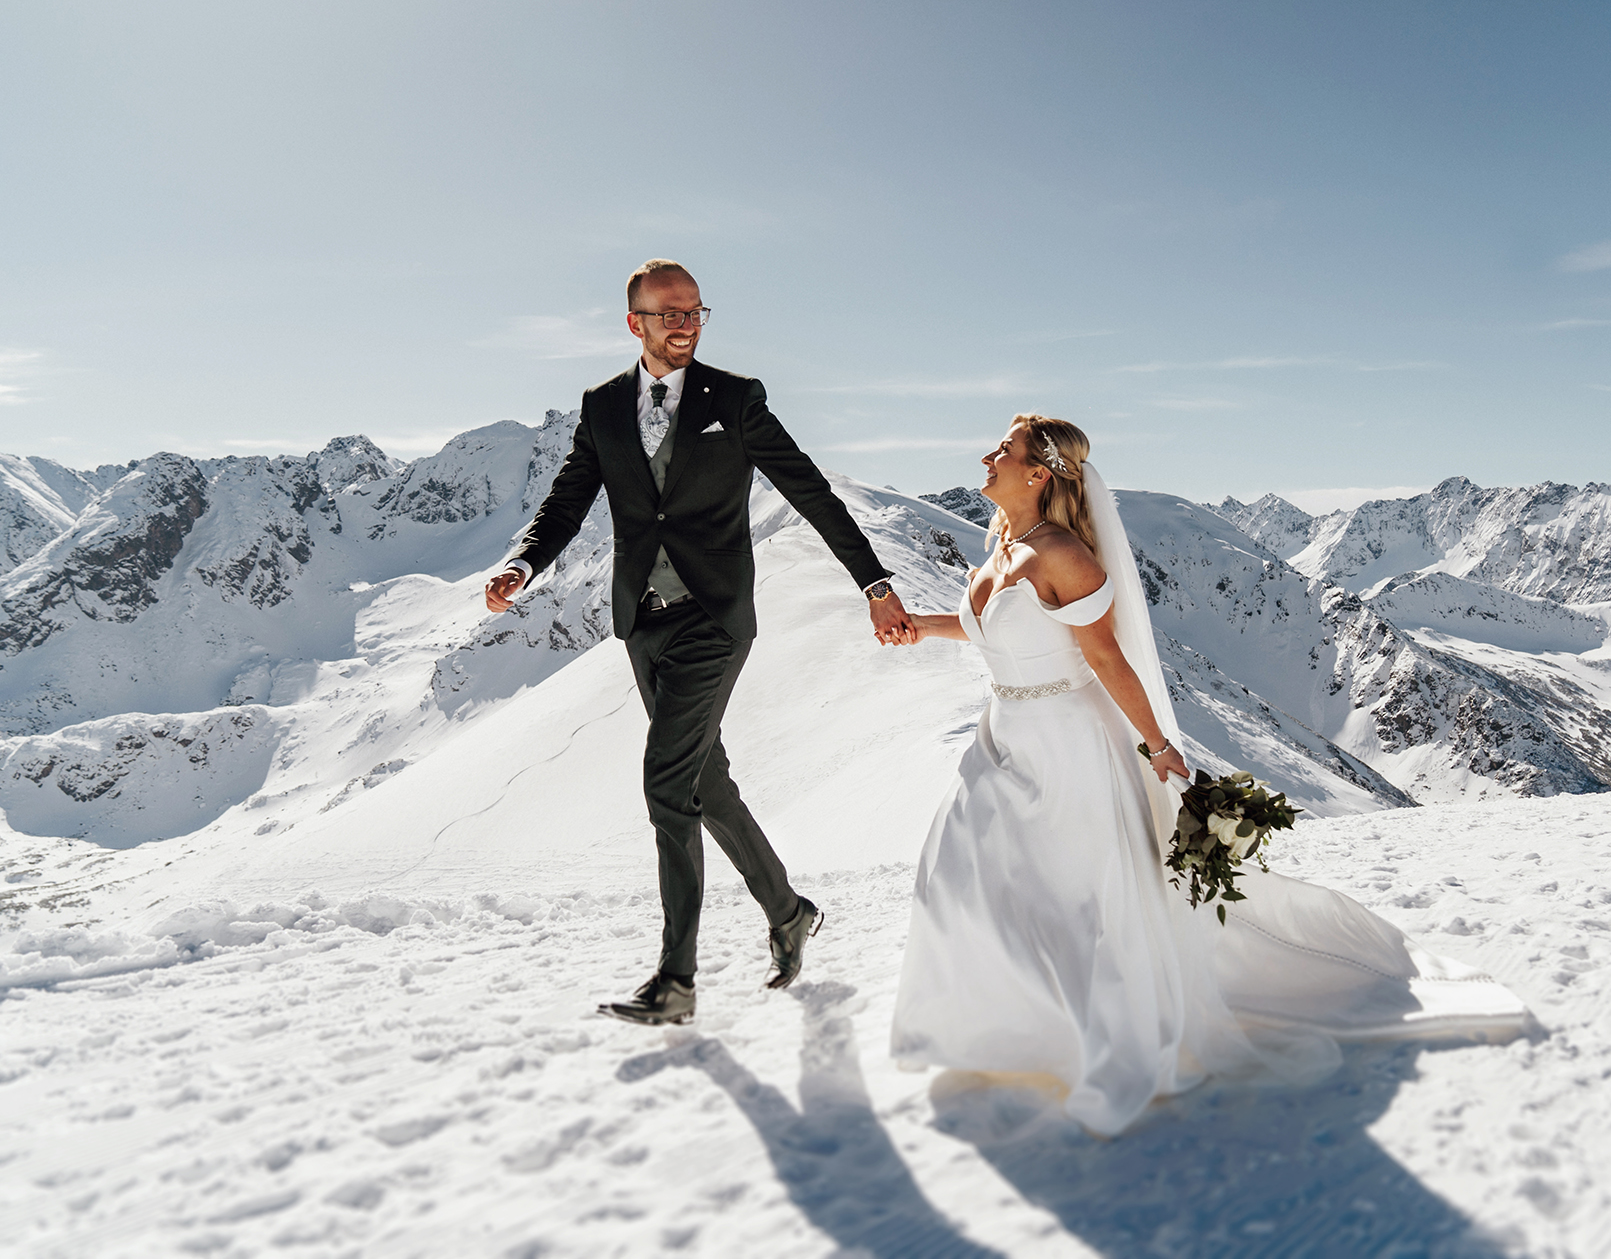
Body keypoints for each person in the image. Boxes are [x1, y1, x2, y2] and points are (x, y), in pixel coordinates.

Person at [887, 414, 1529, 1136]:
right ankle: (994, 1025)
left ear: (1037, 473)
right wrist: (920, 623)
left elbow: (1106, 659)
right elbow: (986, 629)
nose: (985, 455)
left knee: (1072, 897)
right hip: (1000, 737)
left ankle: (1088, 1042)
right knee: (958, 872)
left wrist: (1159, 746)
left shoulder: (1061, 553)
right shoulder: (1004, 546)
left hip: (1064, 748)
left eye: (1001, 450)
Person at [482, 259, 914, 1026]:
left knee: (663, 784)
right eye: (669, 314)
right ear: (634, 323)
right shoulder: (603, 405)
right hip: (642, 622)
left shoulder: (736, 399)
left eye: (695, 313)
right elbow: (571, 495)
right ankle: (788, 911)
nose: (686, 325)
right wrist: (524, 559)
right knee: (703, 783)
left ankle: (676, 979)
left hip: (714, 621)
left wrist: (875, 586)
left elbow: (808, 489)